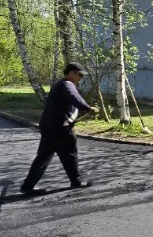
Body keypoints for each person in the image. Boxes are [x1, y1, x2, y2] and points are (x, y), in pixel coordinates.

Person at [19, 62, 99, 195]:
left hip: (50, 126)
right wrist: (88, 108)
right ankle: (76, 182)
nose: (81, 78)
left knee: (43, 157)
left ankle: (27, 186)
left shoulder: (60, 85)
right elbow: (74, 97)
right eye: (80, 75)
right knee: (70, 154)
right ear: (71, 73)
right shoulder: (67, 85)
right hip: (61, 128)